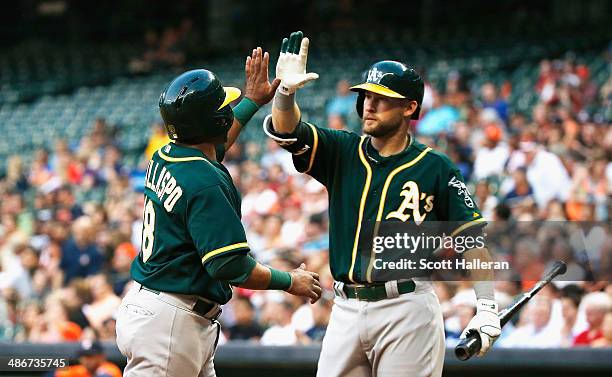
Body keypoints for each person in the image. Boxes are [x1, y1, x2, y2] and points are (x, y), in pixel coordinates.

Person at [264, 31, 501, 377]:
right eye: (366, 97)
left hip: (406, 307)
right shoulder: (343, 150)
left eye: (382, 98)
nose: (369, 105)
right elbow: (288, 130)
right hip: (345, 307)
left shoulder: (435, 167)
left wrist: (488, 306)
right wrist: (285, 93)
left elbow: (471, 240)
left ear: (410, 107)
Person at [115, 47, 322, 377]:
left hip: (166, 310)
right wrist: (289, 280)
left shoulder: (168, 153)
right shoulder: (205, 181)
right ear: (215, 120)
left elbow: (215, 148)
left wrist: (253, 101)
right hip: (171, 321)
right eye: (224, 106)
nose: (228, 108)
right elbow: (229, 265)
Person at [52, 339, 122, 377]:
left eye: (89, 356)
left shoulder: (110, 370)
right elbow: (60, 373)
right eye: (83, 356)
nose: (85, 360)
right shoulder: (77, 371)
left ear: (101, 357)